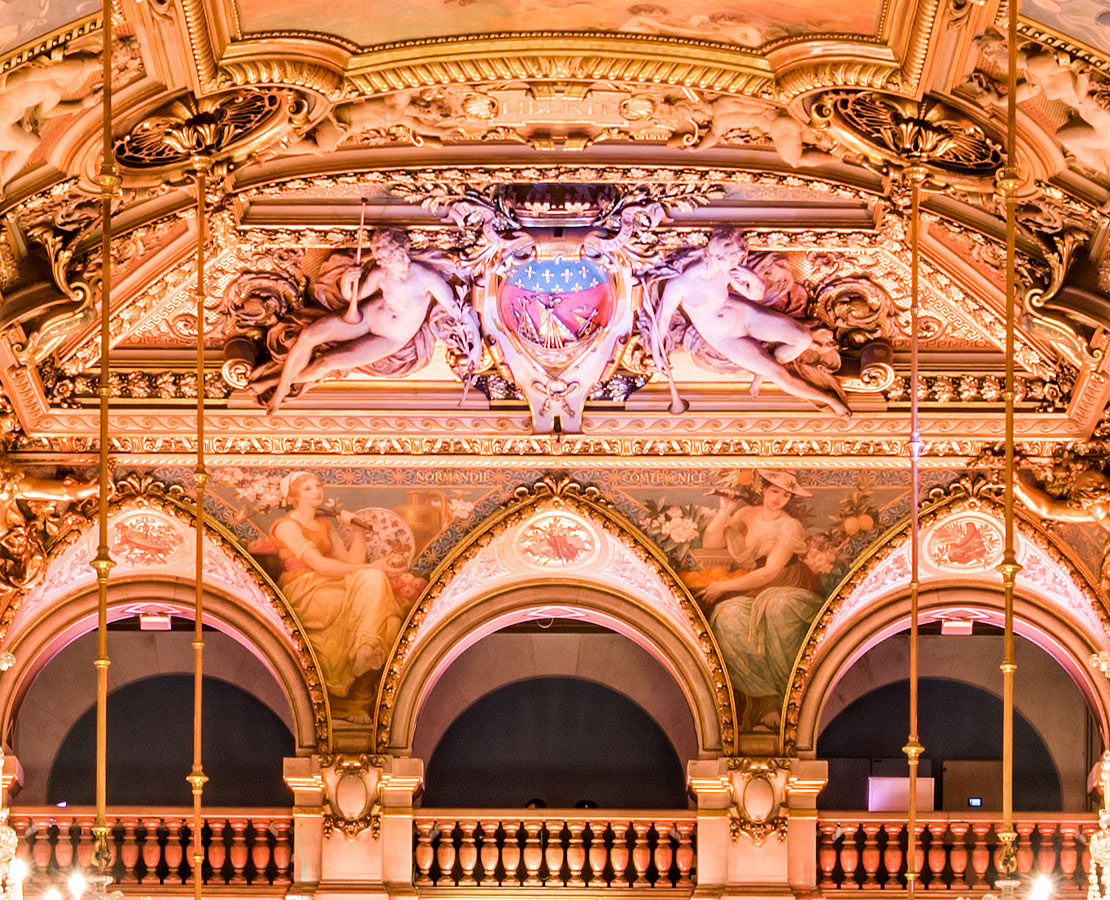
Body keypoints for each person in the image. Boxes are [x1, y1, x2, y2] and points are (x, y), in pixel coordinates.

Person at [253, 229, 466, 412]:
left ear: (403, 251)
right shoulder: (381, 273)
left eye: (390, 256)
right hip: (364, 318)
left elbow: (455, 308)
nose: (386, 262)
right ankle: (282, 385)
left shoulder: (426, 278)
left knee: (326, 362)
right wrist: (348, 281)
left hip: (389, 338)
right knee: (308, 335)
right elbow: (353, 296)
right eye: (382, 258)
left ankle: (278, 383)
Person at [651, 230, 849, 416]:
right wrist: (657, 354)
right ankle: (829, 399)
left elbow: (755, 295)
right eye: (734, 259)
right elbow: (662, 318)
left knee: (804, 338)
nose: (737, 263)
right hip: (726, 338)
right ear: (718, 257)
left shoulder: (726, 268)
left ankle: (762, 370)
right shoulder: (681, 284)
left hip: (746, 316)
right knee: (779, 374)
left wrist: (753, 279)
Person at [269, 471, 410, 722]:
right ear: (293, 496)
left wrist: (358, 532)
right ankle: (354, 670)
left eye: (318, 485)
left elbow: (350, 563)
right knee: (371, 576)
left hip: (332, 582)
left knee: (385, 610)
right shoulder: (287, 526)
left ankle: (365, 649)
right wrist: (373, 566)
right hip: (305, 589)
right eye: (308, 488)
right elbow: (321, 566)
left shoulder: (325, 524)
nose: (317, 491)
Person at [698, 470, 823, 731]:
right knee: (726, 615)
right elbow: (711, 543)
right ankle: (765, 699)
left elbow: (771, 571)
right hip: (755, 587)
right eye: (775, 491)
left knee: (774, 606)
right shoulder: (746, 515)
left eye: (786, 494)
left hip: (789, 583)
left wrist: (722, 586)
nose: (779, 499)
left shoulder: (790, 526)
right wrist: (725, 509)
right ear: (764, 489)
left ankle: (786, 699)